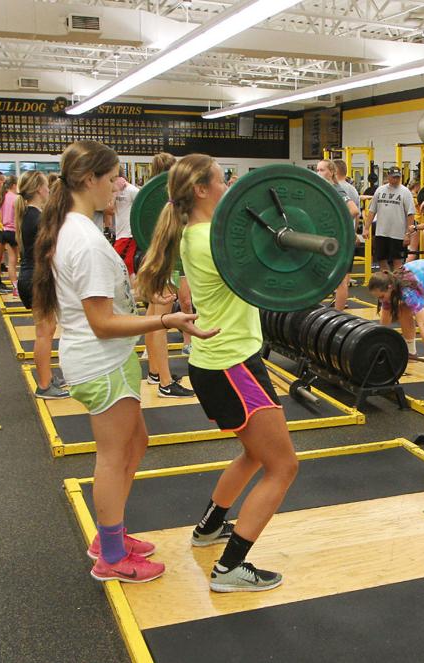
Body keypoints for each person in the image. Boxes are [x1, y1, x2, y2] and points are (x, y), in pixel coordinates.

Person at [33, 141, 212, 584]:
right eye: (112, 177)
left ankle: (111, 535)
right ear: (89, 179)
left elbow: (102, 303)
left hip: (106, 360)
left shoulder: (78, 229)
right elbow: (101, 322)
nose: (118, 186)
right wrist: (164, 320)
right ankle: (110, 556)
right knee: (114, 458)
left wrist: (138, 290)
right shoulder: (86, 240)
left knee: (136, 445)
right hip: (102, 362)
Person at [136, 153, 296, 593]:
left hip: (218, 362)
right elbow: (273, 273)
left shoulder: (193, 234)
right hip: (232, 365)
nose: (228, 187)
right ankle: (230, 568)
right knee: (283, 466)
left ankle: (209, 527)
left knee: (254, 454)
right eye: (221, 181)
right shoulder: (211, 239)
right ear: (202, 190)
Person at [139, 154, 194, 397]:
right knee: (160, 324)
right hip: (166, 268)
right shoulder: (173, 208)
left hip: (157, 265)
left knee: (153, 320)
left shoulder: (165, 206)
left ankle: (153, 372)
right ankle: (165, 382)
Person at [14, 171, 68, 399]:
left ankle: (47, 377)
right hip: (36, 279)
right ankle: (44, 385)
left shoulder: (30, 214)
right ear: (39, 189)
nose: (49, 190)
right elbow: (52, 252)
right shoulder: (36, 218)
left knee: (47, 329)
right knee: (44, 333)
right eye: (47, 186)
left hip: (32, 277)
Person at [368, 259, 424, 375]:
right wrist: (376, 348)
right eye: (378, 298)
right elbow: (384, 325)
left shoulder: (408, 291)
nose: (381, 300)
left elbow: (423, 324)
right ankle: (411, 352)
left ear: (390, 287)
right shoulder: (389, 288)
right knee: (402, 309)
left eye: (382, 296)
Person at [315, 160, 361, 310]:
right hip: (327, 239)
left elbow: (354, 211)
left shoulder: (336, 189)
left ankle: (338, 315)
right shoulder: (323, 190)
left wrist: (339, 226)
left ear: (332, 172)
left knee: (341, 281)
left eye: (322, 170)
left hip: (341, 240)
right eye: (317, 170)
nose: (319, 173)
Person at [364, 166, 415, 272]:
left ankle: (397, 285)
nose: (396, 180)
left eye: (398, 177)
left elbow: (410, 214)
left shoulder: (405, 192)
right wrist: (366, 228)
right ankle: (388, 284)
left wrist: (407, 234)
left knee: (397, 261)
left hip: (398, 233)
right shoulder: (380, 190)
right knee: (381, 259)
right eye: (393, 177)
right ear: (388, 176)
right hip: (381, 232)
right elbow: (372, 211)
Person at [111, 176, 141, 275]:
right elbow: (109, 209)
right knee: (125, 269)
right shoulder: (114, 189)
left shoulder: (132, 190)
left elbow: (143, 209)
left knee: (122, 267)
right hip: (119, 234)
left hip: (128, 235)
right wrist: (115, 192)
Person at [0, 175, 20, 290]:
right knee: (14, 261)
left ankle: (15, 286)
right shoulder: (16, 198)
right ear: (14, 185)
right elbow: (18, 218)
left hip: (4, 231)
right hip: (13, 232)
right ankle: (16, 287)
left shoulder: (3, 197)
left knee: (11, 262)